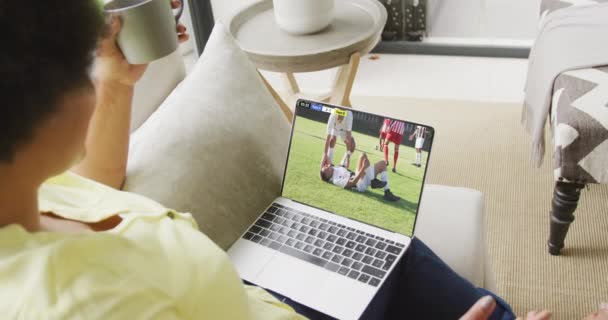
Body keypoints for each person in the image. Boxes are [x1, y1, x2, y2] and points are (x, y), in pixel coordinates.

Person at [2, 1, 590, 319]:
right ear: (45, 108)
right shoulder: (90, 306)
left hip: (266, 282)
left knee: (388, 245)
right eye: (81, 66)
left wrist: (115, 81)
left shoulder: (28, 189)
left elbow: (93, 181)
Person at [320, 153, 401, 201]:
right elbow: (352, 183)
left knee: (383, 163)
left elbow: (325, 155)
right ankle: (373, 181)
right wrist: (363, 168)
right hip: (359, 185)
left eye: (325, 166)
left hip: (360, 175)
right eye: (325, 169)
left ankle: (387, 192)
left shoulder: (335, 168)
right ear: (327, 175)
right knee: (363, 156)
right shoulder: (335, 180)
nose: (326, 166)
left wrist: (348, 157)